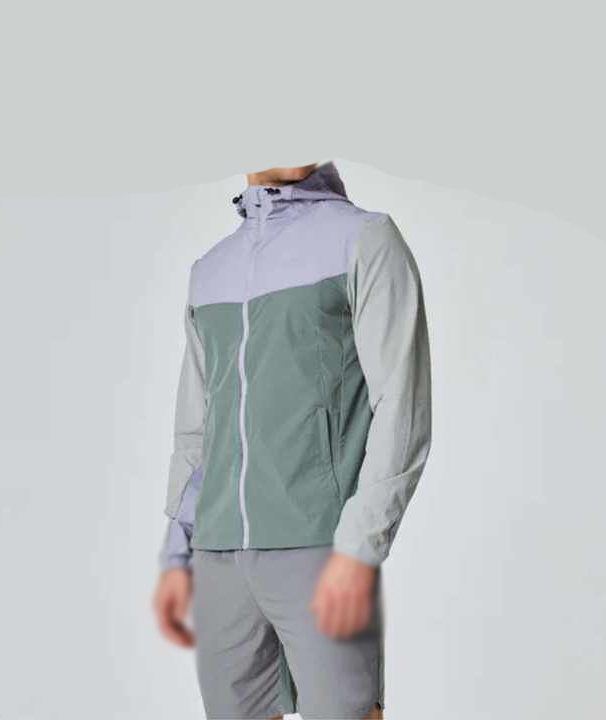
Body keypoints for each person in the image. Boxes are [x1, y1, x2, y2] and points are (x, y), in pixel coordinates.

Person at [153, 161, 432, 719]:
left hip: (320, 548)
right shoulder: (210, 270)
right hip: (219, 554)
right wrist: (177, 550)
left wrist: (359, 546)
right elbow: (198, 425)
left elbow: (402, 406)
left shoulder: (363, 239)